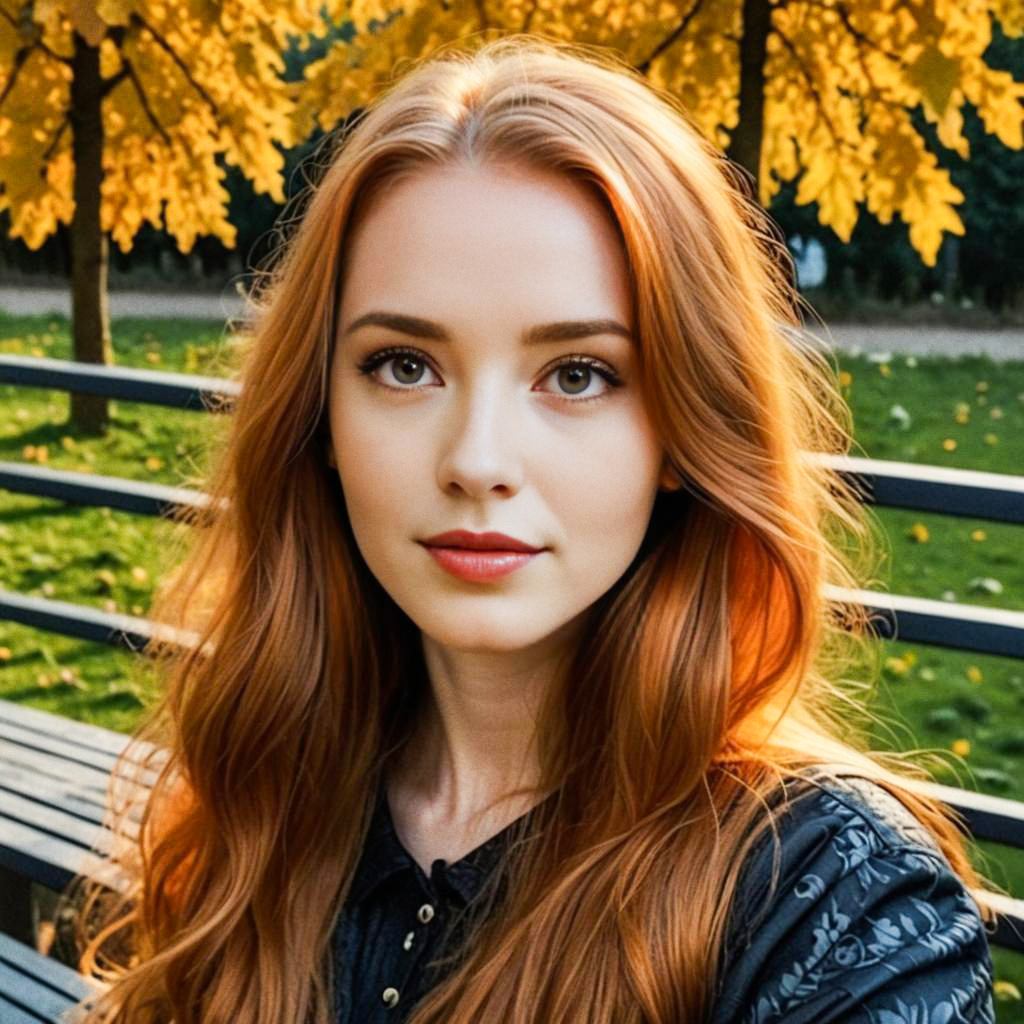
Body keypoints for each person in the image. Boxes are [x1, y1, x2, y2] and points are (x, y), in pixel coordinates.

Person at [69, 34, 999, 1024]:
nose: (476, 459)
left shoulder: (832, 906)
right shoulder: (268, 793)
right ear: (320, 417)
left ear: (683, 431)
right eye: (402, 364)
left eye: (577, 374)